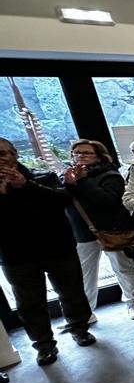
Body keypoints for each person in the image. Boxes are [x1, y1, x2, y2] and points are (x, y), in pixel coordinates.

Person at [0, 137, 96, 365]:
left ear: (14, 155)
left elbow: (63, 199)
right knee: (29, 303)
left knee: (72, 292)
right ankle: (44, 345)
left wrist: (25, 186)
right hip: (16, 257)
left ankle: (79, 328)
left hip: (58, 249)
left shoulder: (42, 177)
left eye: (3, 153)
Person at [63, 139, 134, 320]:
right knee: (85, 275)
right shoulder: (69, 176)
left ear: (98, 155)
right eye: (77, 153)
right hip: (83, 234)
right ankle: (86, 312)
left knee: (123, 268)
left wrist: (83, 182)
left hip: (113, 230)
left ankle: (133, 302)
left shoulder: (110, 175)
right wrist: (69, 184)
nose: (81, 156)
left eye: (86, 153)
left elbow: (107, 201)